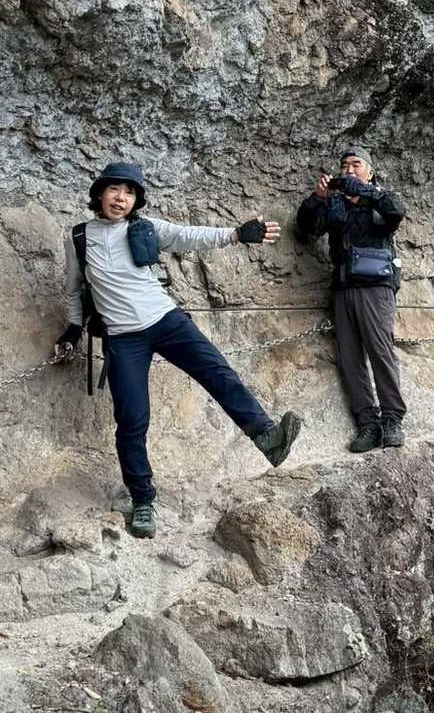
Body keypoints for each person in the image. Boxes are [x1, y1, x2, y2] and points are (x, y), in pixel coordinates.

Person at [55, 161, 302, 538]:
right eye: (114, 189)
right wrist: (73, 330)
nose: (121, 198)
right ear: (99, 193)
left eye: (130, 192)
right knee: (132, 420)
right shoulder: (79, 237)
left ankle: (267, 436)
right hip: (123, 338)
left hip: (166, 321)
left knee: (218, 372)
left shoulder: (144, 228)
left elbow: (188, 236)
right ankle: (142, 501)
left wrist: (236, 234)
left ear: (136, 200)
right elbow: (75, 289)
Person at [294, 145, 407, 453]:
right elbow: (306, 228)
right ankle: (368, 424)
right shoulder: (336, 203)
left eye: (356, 164)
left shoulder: (378, 200)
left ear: (370, 171)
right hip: (344, 288)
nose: (349, 170)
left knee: (380, 351)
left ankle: (392, 420)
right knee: (350, 358)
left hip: (376, 287)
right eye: (345, 165)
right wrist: (317, 198)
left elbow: (396, 212)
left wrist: (364, 191)